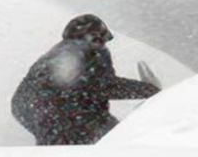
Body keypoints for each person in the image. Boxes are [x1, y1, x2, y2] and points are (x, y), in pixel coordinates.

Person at [11, 14, 161, 145]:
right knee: (109, 139)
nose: (103, 44)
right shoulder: (82, 53)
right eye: (100, 38)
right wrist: (147, 90)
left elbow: (95, 87)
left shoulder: (63, 51)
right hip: (58, 112)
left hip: (32, 107)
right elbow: (103, 86)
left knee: (81, 137)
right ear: (92, 37)